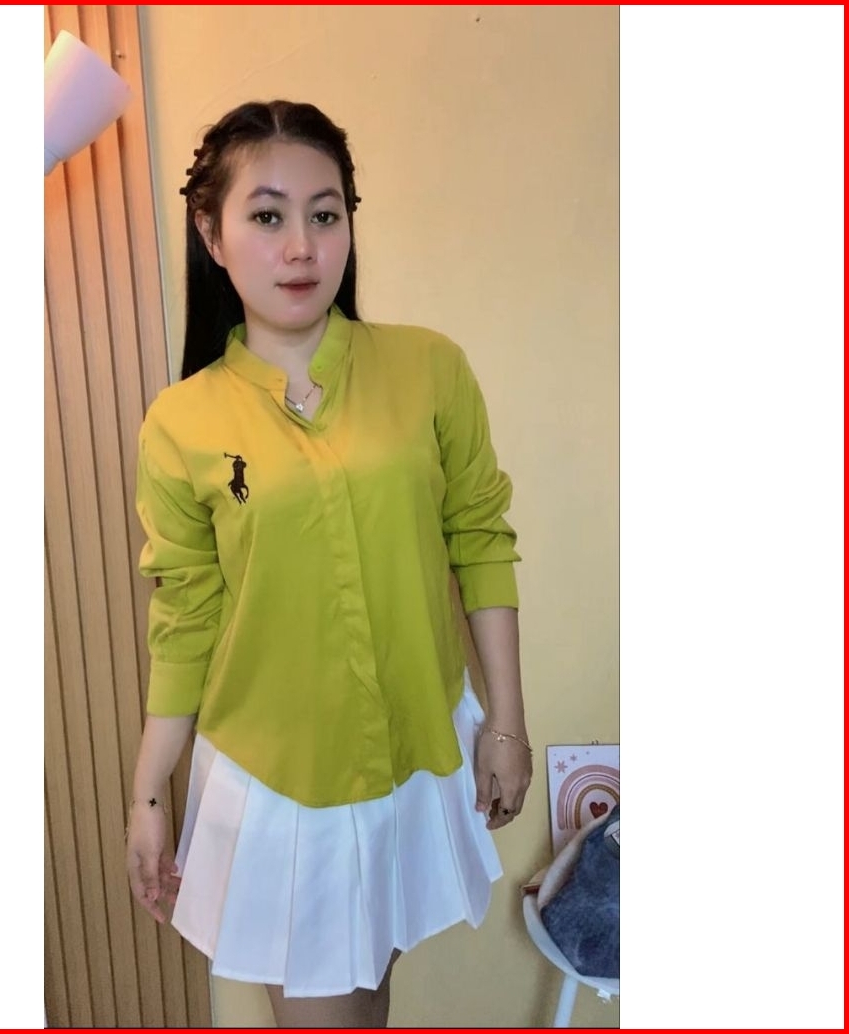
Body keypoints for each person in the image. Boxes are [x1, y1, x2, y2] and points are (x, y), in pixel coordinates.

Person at [125, 99, 531, 1029]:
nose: (302, 247)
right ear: (212, 234)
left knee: (370, 995)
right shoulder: (181, 424)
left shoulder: (429, 370)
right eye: (267, 216)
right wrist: (148, 793)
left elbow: (479, 539)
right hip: (281, 788)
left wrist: (507, 724)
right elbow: (185, 619)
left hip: (412, 757)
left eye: (325, 213)